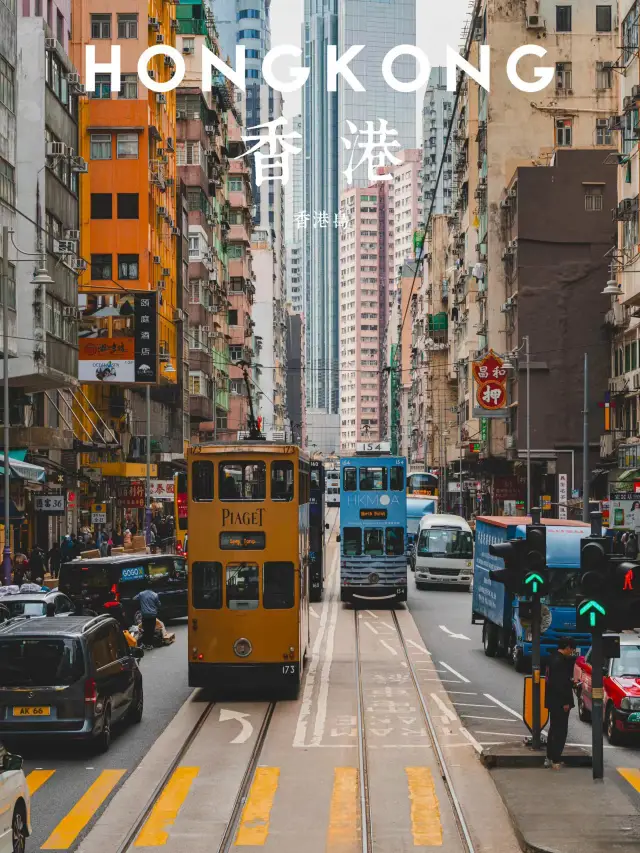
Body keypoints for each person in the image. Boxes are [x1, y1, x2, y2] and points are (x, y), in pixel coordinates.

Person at [545, 637, 577, 769]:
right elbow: (560, 684)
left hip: (552, 701)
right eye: (572, 649)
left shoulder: (553, 658)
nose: (572, 652)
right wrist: (565, 702)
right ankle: (555, 759)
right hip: (560, 702)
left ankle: (550, 757)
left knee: (553, 729)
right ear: (567, 647)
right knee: (560, 731)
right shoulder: (560, 662)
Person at [133, 583, 161, 650]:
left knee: (145, 629)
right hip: (152, 615)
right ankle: (150, 644)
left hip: (145, 615)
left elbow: (134, 598)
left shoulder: (141, 594)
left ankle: (145, 643)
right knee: (151, 630)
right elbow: (159, 604)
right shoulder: (155, 595)